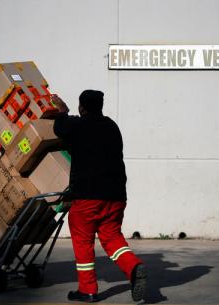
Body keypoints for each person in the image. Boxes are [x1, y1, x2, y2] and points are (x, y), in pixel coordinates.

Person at [52, 90, 146, 303]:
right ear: (100, 106)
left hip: (88, 197)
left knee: (83, 240)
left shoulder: (78, 126)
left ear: (81, 107)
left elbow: (60, 128)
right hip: (116, 196)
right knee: (112, 237)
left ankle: (88, 290)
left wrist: (62, 111)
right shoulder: (112, 126)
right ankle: (133, 266)